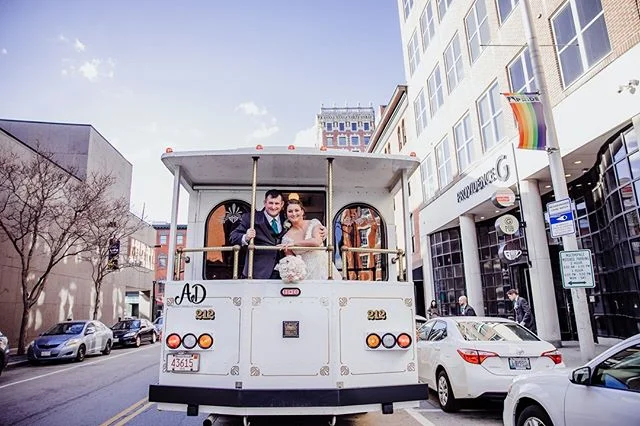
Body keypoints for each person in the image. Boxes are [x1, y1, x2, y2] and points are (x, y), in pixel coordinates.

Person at [230, 189, 326, 279]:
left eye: (276, 203)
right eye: (270, 203)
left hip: (282, 272)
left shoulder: (287, 218)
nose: (273, 207)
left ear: (282, 204)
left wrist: (324, 230)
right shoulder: (251, 218)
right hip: (258, 272)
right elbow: (233, 237)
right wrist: (246, 237)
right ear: (265, 203)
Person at [279, 195, 341, 280]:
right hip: (305, 274)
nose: (294, 214)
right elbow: (290, 260)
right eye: (290, 211)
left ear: (302, 212)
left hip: (324, 269)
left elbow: (316, 242)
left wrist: (294, 244)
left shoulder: (313, 223)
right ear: (286, 214)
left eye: (297, 210)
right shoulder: (286, 238)